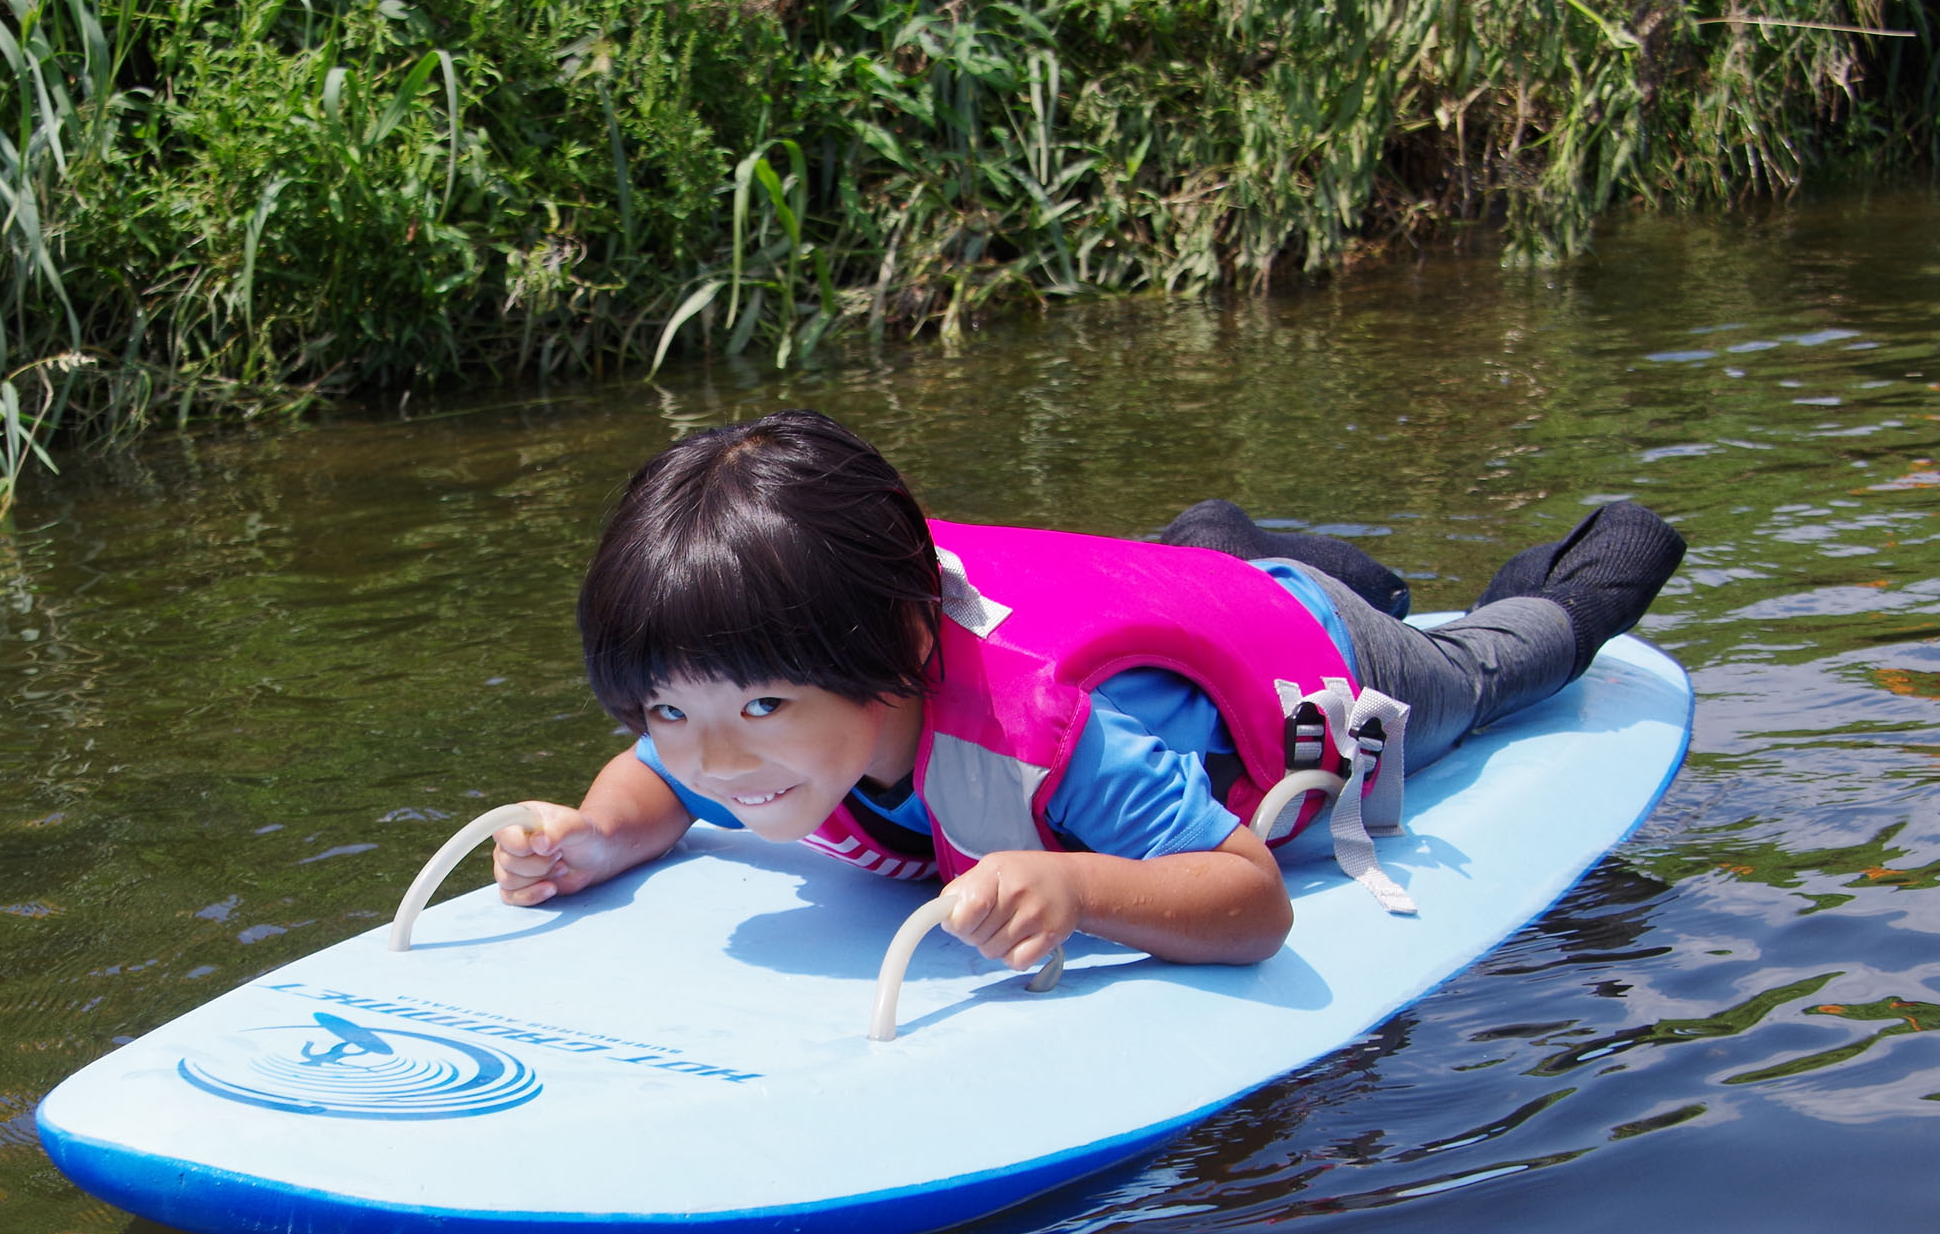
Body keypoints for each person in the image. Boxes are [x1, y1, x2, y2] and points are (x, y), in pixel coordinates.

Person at [492, 410, 1684, 969]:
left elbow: (1252, 900)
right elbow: (656, 784)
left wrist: (1075, 885)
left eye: (755, 709)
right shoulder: (741, 736)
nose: (709, 760)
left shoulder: (1043, 744)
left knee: (1494, 668)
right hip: (1169, 596)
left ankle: (1598, 562)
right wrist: (594, 837)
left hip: (1315, 648)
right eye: (663, 708)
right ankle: (1231, 543)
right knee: (1200, 560)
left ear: (900, 649)